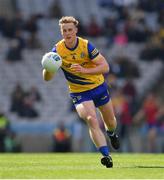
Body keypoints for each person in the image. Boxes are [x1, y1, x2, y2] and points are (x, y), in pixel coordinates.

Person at [42, 16, 120, 168]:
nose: (67, 33)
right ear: (61, 32)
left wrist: (84, 70)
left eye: (70, 30)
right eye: (64, 30)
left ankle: (111, 134)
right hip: (79, 93)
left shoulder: (86, 46)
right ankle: (106, 155)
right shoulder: (57, 51)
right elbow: (47, 78)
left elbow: (105, 67)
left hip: (98, 87)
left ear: (76, 30)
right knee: (91, 119)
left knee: (110, 122)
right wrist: (49, 67)